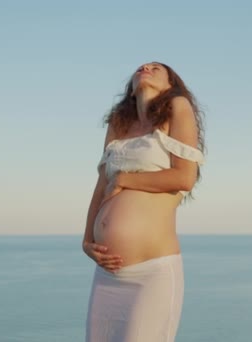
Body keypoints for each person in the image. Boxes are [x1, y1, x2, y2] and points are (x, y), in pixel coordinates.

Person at [82, 61, 206, 342]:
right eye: (141, 66)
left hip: (152, 273)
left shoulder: (178, 107)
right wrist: (87, 239)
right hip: (107, 275)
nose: (146, 68)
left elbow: (183, 178)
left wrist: (125, 178)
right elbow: (102, 184)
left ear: (170, 84)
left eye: (156, 68)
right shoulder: (119, 122)